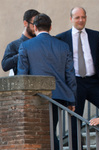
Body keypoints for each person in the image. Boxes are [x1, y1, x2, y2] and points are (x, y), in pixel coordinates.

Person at [56, 7, 99, 150]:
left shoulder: (95, 35)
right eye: (77, 17)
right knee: (74, 120)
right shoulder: (61, 38)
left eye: (83, 17)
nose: (80, 20)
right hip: (75, 83)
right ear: (71, 19)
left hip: (94, 82)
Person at [17, 13, 77, 150]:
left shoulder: (25, 46)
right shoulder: (63, 46)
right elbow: (70, 74)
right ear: (50, 27)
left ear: (35, 27)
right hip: (59, 97)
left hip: (36, 97)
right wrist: (72, 99)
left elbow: (22, 76)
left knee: (44, 133)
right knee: (50, 131)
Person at [1, 9, 40, 75]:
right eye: (33, 24)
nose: (36, 28)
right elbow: (5, 65)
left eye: (38, 25)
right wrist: (22, 54)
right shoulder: (13, 45)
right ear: (25, 23)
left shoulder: (40, 43)